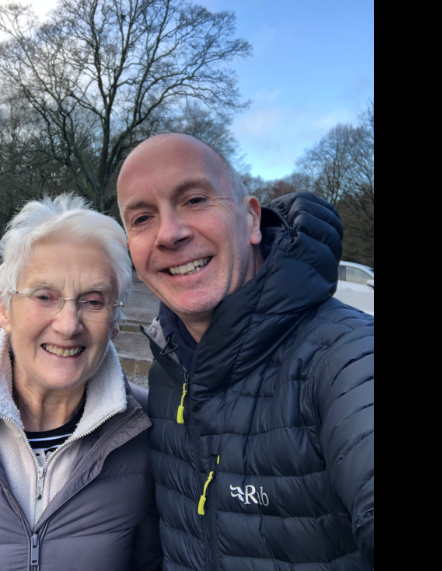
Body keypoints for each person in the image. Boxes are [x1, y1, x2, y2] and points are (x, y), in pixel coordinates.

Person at [117, 134, 375, 571]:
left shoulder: (347, 358)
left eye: (195, 200)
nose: (170, 233)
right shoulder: (167, 371)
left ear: (252, 219)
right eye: (142, 218)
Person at [0, 195, 162, 571]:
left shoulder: (152, 429)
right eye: (45, 296)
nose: (68, 325)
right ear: (4, 307)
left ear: (115, 322)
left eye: (93, 302)